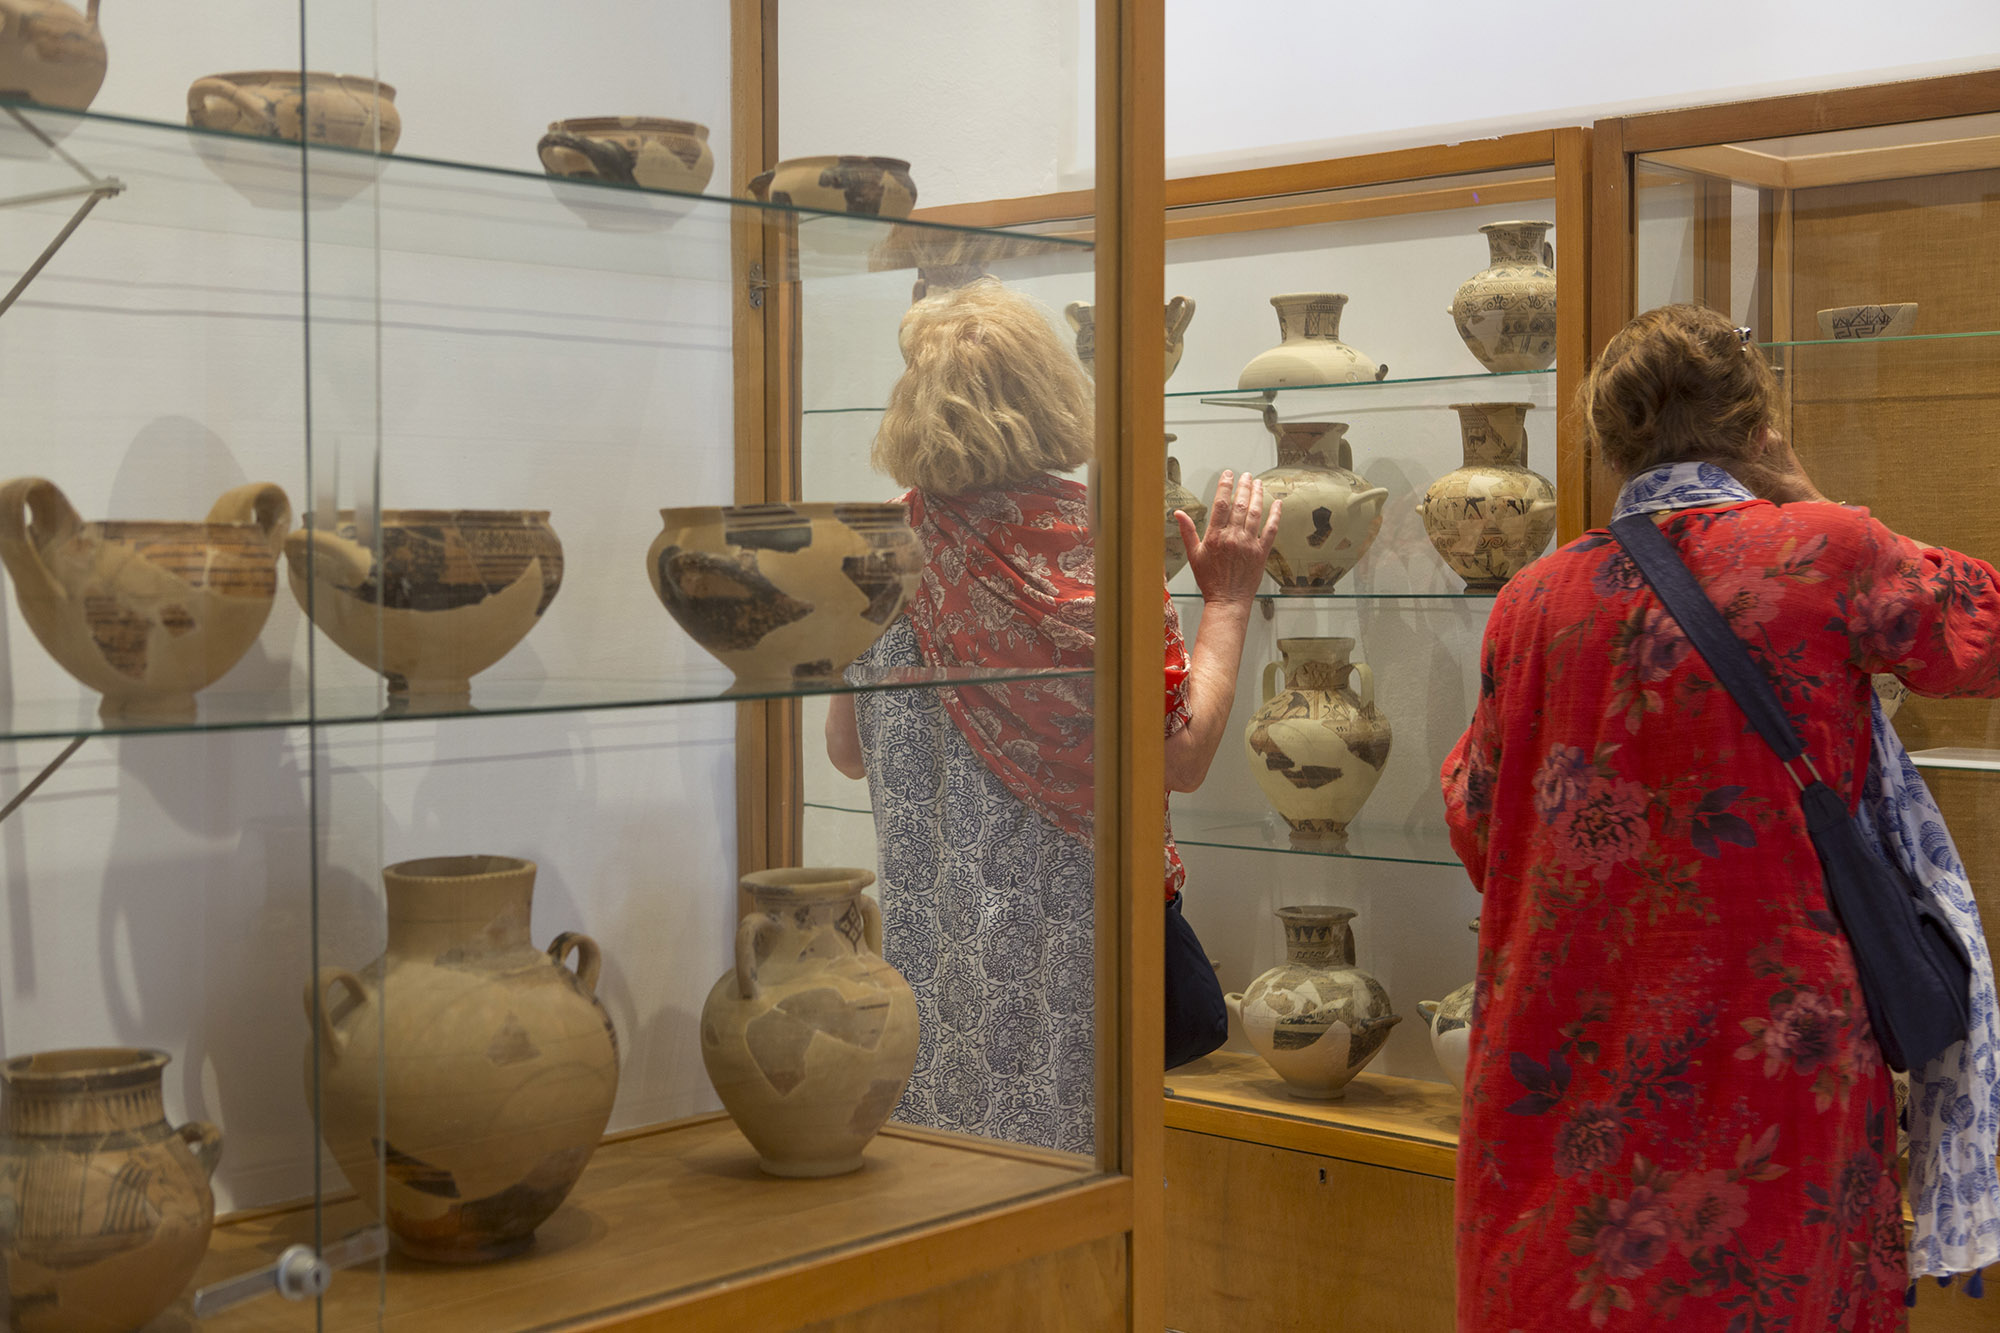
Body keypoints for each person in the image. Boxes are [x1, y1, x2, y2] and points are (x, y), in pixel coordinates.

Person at [1442, 303, 2000, 1331]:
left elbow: (1480, 824)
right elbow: (1981, 635)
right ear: (1756, 427)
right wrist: (1806, 495)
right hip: (1770, 1049)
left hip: (1569, 1050)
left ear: (1605, 440)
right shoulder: (1825, 550)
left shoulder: (1530, 599)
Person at [825, 279, 1277, 1154]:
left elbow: (848, 750)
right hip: (1080, 962)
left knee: (944, 1180)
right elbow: (1180, 759)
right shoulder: (1099, 548)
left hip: (935, 958)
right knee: (1080, 1188)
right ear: (1049, 392)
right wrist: (1227, 601)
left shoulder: (878, 549)